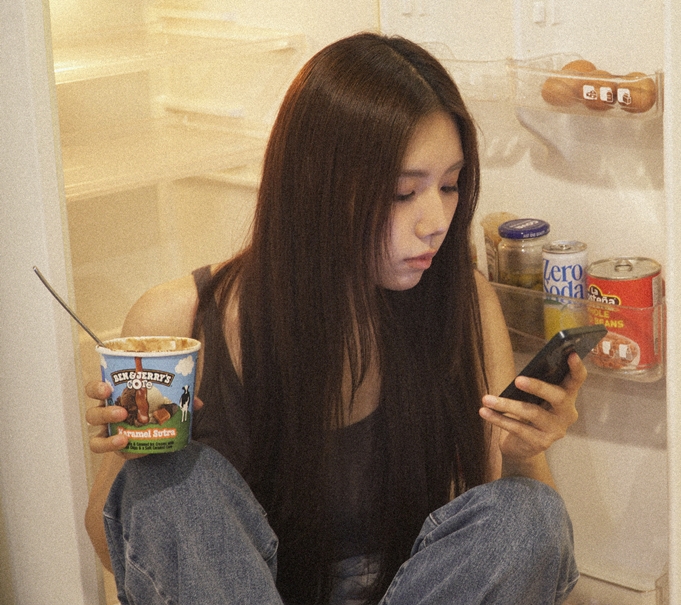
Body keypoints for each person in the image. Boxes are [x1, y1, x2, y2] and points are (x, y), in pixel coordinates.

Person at [82, 32, 585, 605]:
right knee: (175, 480)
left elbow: (505, 550)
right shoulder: (181, 318)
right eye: (403, 193)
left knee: (529, 513)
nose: (436, 222)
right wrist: (134, 452)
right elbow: (112, 546)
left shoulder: (462, 300)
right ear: (315, 187)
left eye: (449, 186)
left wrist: (523, 453)